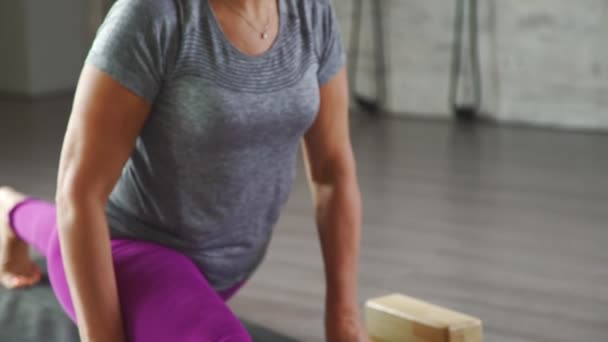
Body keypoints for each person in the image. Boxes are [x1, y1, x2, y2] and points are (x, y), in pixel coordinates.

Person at [0, 0, 367, 340]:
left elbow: (332, 171)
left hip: (226, 268)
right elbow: (79, 193)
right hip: (126, 250)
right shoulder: (151, 16)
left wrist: (343, 312)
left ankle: (10, 211)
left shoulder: (311, 13)